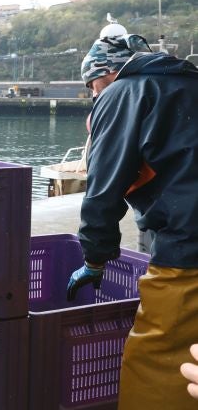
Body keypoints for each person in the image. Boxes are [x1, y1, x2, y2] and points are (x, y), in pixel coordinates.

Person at [65, 32, 198, 409]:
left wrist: (94, 257)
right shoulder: (189, 83)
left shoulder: (123, 93)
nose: (94, 95)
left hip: (187, 251)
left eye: (92, 85)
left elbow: (103, 190)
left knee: (154, 363)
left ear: (106, 73)